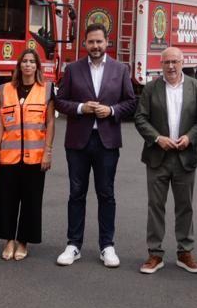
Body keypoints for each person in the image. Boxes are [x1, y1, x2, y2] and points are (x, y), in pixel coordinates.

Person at [53, 22, 137, 267]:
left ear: (106, 43)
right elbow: (60, 101)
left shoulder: (121, 69)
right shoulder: (72, 69)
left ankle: (107, 246)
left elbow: (131, 103)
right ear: (85, 44)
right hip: (78, 142)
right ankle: (73, 245)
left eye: (99, 41)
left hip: (107, 142)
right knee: (76, 193)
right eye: (91, 42)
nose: (95, 46)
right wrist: (81, 108)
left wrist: (111, 110)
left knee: (106, 194)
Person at [133, 46, 197, 274]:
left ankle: (185, 251)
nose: (171, 66)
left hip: (185, 157)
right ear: (161, 64)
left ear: (182, 62)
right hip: (157, 157)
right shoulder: (151, 88)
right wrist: (157, 139)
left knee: (184, 206)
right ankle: (154, 254)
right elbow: (140, 118)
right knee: (155, 206)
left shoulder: (196, 88)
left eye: (175, 62)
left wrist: (190, 138)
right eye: (167, 62)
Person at [0, 49, 55, 261]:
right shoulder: (6, 89)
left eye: (31, 62)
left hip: (35, 157)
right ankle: (8, 240)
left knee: (31, 201)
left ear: (37, 66)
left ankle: (23, 241)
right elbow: (0, 123)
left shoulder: (46, 90)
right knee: (6, 200)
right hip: (9, 157)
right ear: (19, 65)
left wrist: (48, 152)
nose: (27, 65)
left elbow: (50, 122)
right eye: (24, 61)